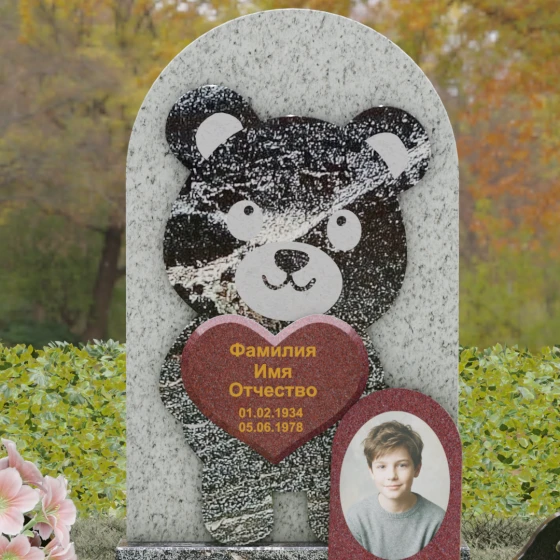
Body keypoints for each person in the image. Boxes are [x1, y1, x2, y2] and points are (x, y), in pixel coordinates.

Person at [345, 420, 445, 560]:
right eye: (382, 466)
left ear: (417, 469)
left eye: (402, 465)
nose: (392, 476)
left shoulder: (437, 520)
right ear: (371, 471)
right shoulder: (356, 519)